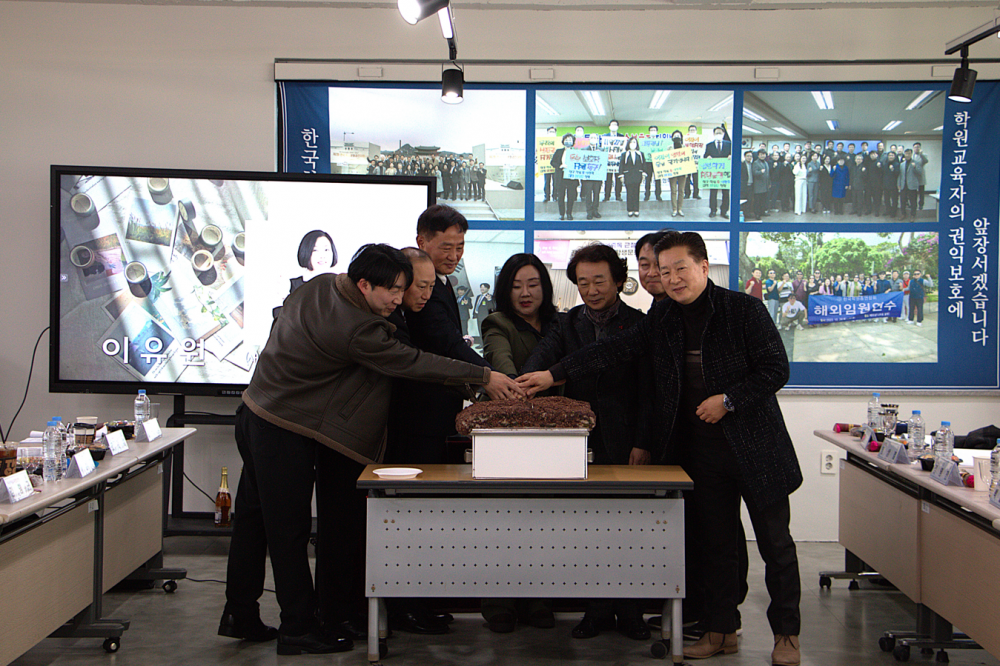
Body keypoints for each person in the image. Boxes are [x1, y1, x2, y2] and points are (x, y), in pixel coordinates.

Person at [517, 231, 803, 666]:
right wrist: (553, 374)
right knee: (717, 546)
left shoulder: (743, 309)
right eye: (664, 271)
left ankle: (787, 635)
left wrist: (728, 400)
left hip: (755, 448)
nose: (671, 278)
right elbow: (613, 349)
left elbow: (775, 369)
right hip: (702, 453)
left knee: (775, 545)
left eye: (680, 269)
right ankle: (720, 631)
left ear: (703, 266)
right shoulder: (664, 315)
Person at [223, 244, 517, 655]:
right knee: (288, 530)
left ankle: (239, 613)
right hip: (281, 428)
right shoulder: (358, 329)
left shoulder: (321, 285)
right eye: (393, 290)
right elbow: (412, 362)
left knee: (254, 520)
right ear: (364, 284)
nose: (399, 298)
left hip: (254, 410)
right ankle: (297, 628)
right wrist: (483, 375)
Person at [520, 243, 654, 642]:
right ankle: (595, 610)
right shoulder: (567, 323)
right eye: (582, 282)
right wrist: (519, 383)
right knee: (590, 527)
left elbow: (650, 391)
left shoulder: (639, 323)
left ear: (619, 281)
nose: (591, 291)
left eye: (599, 281)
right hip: (578, 443)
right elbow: (542, 359)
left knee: (629, 528)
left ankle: (631, 612)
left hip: (625, 440)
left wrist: (643, 441)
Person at [479, 253, 559, 633]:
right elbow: (502, 364)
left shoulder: (560, 323)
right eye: (516, 286)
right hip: (506, 438)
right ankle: (498, 600)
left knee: (544, 520)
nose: (525, 293)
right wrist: (519, 385)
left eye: (533, 284)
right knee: (502, 519)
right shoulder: (498, 322)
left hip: (554, 440)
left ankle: (538, 599)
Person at [704, 127, 732, 218]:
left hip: (725, 173)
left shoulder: (729, 144)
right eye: (717, 133)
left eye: (720, 133)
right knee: (713, 192)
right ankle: (713, 210)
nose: (718, 134)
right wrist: (707, 157)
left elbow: (733, 155)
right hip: (714, 173)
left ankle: (724, 211)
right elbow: (705, 156)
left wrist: (731, 156)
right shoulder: (709, 145)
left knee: (726, 193)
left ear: (723, 134)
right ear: (714, 134)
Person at [551, 133, 579, 221]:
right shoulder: (559, 151)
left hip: (571, 178)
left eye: (570, 140)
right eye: (566, 140)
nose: (568, 141)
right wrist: (560, 166)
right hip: (561, 177)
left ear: (573, 142)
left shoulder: (576, 152)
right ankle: (561, 214)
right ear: (563, 141)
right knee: (561, 197)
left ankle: (569, 213)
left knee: (571, 197)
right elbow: (552, 162)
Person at [618, 136, 646, 217]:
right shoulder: (624, 154)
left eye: (634, 142)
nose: (632, 144)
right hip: (628, 176)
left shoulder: (640, 154)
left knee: (636, 193)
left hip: (637, 176)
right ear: (628, 144)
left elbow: (644, 165)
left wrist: (644, 174)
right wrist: (621, 176)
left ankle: (636, 210)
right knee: (629, 193)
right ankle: (630, 210)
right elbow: (621, 165)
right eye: (631, 142)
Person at [602, 119, 625, 202]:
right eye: (612, 125)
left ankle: (618, 196)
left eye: (615, 125)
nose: (614, 126)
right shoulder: (605, 137)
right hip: (608, 163)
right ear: (609, 127)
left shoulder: (621, 137)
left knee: (618, 180)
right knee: (608, 180)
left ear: (618, 127)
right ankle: (606, 196)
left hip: (618, 162)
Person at [668, 130, 689, 217]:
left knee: (681, 191)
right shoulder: (669, 147)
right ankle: (674, 209)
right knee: (673, 191)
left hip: (682, 172)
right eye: (675, 135)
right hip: (672, 172)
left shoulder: (685, 147)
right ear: (672, 137)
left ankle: (680, 209)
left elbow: (687, 159)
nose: (677, 137)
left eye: (678, 135)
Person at [898, 148, 920, 220]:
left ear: (911, 154)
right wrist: (898, 184)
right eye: (906, 153)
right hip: (903, 185)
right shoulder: (902, 164)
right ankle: (903, 214)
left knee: (913, 202)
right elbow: (900, 175)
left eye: (909, 153)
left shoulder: (916, 163)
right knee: (902, 201)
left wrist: (915, 167)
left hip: (912, 185)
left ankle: (913, 215)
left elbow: (920, 173)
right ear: (904, 154)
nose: (907, 155)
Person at [644, 125, 664, 202]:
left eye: (654, 130)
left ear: (657, 132)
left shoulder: (660, 142)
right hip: (648, 163)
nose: (653, 131)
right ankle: (647, 195)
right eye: (651, 130)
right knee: (648, 180)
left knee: (658, 179)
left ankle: (658, 195)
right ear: (649, 132)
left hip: (658, 163)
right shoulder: (646, 141)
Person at [752, 149, 770, 220]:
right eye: (761, 154)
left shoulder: (766, 163)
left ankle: (762, 212)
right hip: (758, 186)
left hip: (765, 185)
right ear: (758, 155)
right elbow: (754, 173)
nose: (763, 156)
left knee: (763, 201)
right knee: (757, 201)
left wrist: (769, 183)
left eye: (764, 154)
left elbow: (768, 174)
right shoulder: (755, 163)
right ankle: (757, 214)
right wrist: (760, 172)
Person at [882, 151, 900, 219]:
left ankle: (893, 212)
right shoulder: (885, 164)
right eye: (889, 155)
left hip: (893, 185)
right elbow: (883, 174)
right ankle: (888, 210)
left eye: (892, 155)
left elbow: (897, 174)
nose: (890, 157)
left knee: (894, 200)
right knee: (886, 200)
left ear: (894, 156)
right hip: (886, 185)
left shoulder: (897, 164)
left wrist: (893, 170)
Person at [865, 151, 883, 217]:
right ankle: (868, 210)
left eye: (874, 154)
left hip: (877, 184)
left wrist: (879, 167)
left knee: (877, 198)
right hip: (869, 184)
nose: (872, 156)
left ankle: (877, 211)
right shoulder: (868, 163)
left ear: (877, 155)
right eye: (871, 155)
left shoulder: (879, 163)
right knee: (868, 198)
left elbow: (882, 172)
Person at [740, 150, 757, 220]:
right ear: (744, 156)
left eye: (750, 156)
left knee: (750, 200)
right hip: (744, 186)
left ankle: (747, 213)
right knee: (743, 200)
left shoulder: (753, 165)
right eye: (748, 156)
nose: (749, 157)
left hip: (751, 185)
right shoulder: (741, 164)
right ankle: (742, 214)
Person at [912, 142, 929, 210]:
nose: (916, 148)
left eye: (918, 147)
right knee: (913, 192)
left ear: (920, 148)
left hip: (920, 176)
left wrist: (921, 155)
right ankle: (914, 204)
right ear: (913, 148)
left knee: (921, 192)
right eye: (915, 147)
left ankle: (921, 204)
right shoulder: (912, 155)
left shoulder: (923, 155)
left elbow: (925, 161)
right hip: (913, 176)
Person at [543, 127, 557, 202]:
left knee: (556, 182)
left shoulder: (558, 142)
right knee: (547, 182)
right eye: (550, 132)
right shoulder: (543, 143)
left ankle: (555, 196)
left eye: (553, 132)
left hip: (555, 166)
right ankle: (547, 196)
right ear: (547, 133)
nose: (551, 133)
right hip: (546, 166)